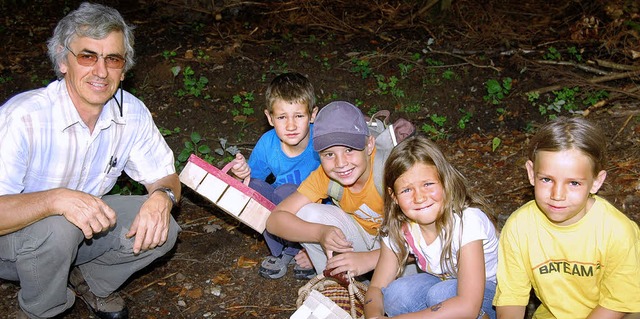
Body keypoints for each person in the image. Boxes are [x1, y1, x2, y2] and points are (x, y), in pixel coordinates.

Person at [0, 3, 181, 319]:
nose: (101, 71)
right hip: (11, 244)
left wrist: (161, 199)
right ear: (63, 60)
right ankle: (40, 310)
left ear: (123, 70)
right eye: (87, 56)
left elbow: (166, 177)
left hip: (76, 236)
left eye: (112, 59)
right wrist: (55, 199)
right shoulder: (24, 118)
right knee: (59, 227)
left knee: (164, 227)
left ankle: (88, 281)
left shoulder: (131, 113)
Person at [493, 117, 640, 319]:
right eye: (546, 179)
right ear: (530, 173)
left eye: (573, 183)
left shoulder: (617, 231)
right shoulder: (520, 227)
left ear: (596, 182)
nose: (557, 194)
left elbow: (618, 303)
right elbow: (511, 297)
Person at [363, 135, 499, 319]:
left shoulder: (467, 221)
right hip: (446, 284)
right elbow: (376, 288)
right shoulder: (400, 227)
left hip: (490, 295)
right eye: (406, 190)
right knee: (396, 293)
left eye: (427, 184)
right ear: (393, 196)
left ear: (445, 181)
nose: (419, 198)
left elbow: (468, 306)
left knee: (441, 295)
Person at [266, 100, 405, 278]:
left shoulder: (392, 171)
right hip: (364, 238)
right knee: (307, 213)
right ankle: (340, 287)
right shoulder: (325, 175)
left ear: (369, 145)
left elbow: (425, 236)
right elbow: (275, 220)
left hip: (402, 248)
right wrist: (320, 233)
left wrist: (369, 259)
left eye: (349, 150)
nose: (340, 164)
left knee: (399, 297)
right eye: (329, 154)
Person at [230, 72, 319, 280]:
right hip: (280, 211)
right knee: (255, 187)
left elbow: (336, 193)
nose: (290, 125)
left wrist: (318, 245)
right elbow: (251, 182)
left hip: (313, 211)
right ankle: (281, 250)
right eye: (281, 117)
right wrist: (241, 174)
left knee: (287, 190)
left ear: (313, 115)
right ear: (270, 118)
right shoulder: (267, 143)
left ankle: (305, 249)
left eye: (299, 116)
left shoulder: (320, 142)